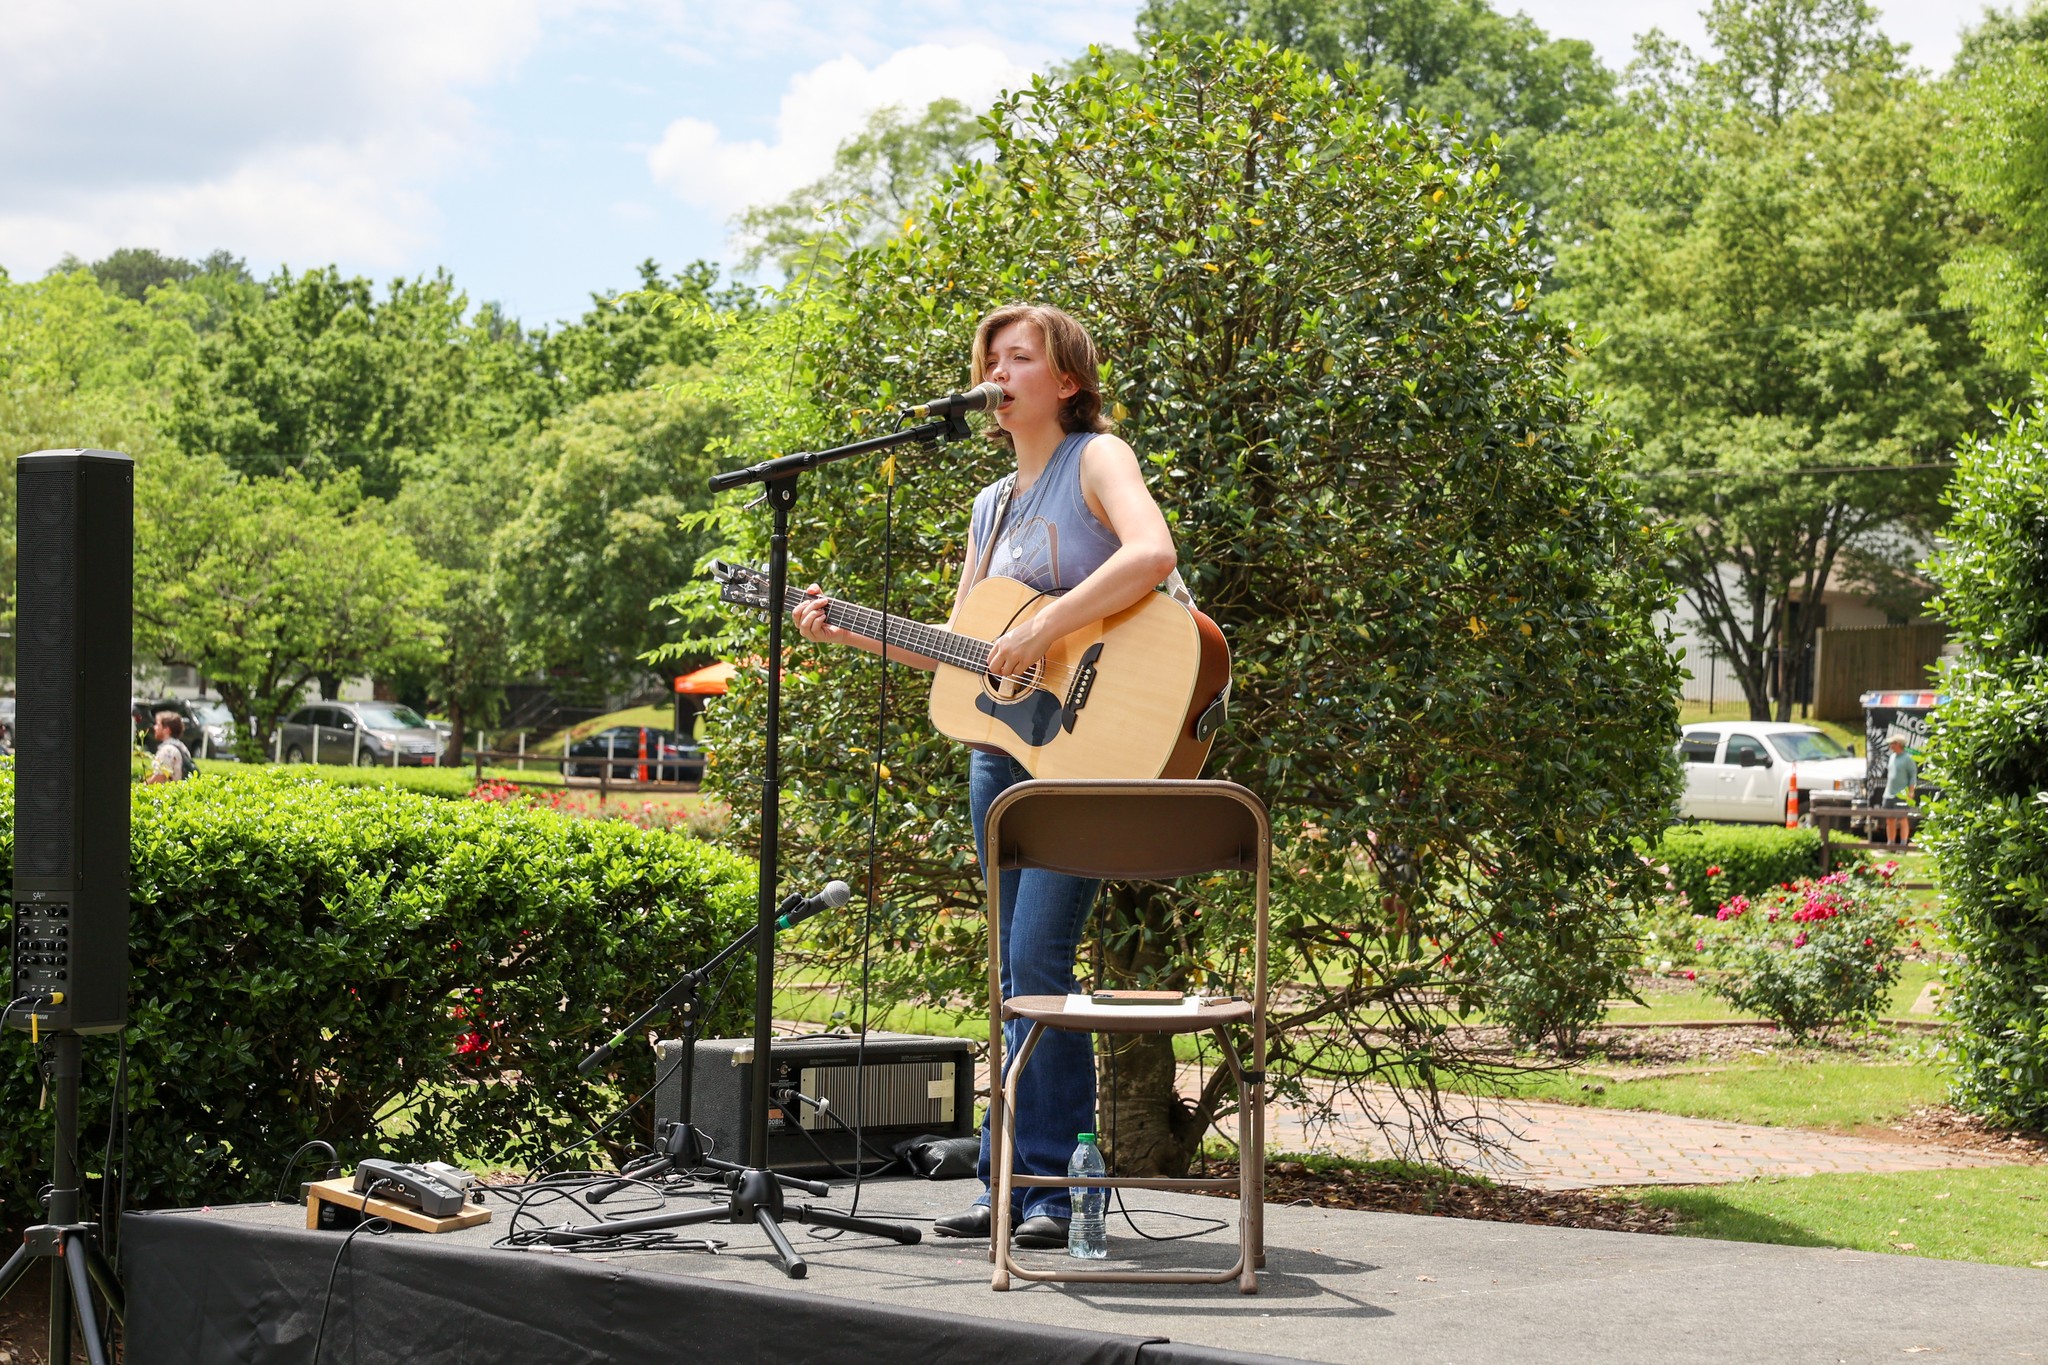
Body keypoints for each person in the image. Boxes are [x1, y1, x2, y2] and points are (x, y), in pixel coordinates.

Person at [792, 303, 1179, 1250]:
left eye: (1020, 359)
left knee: (1040, 963)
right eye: (990, 361)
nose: (999, 375)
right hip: (1003, 751)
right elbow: (974, 653)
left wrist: (1045, 628)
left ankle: (1054, 1192)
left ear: (1067, 379)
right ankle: (1007, 1183)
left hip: (1090, 750)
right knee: (1009, 968)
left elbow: (1153, 554)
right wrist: (859, 630)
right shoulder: (990, 506)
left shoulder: (1098, 458)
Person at [1881, 735, 1917, 847]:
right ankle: (1890, 844)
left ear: (1898, 744)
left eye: (1892, 743)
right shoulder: (1892, 757)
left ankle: (1902, 845)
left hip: (1902, 795)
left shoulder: (1908, 758)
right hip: (1888, 794)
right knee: (1889, 819)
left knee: (1902, 819)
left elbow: (1913, 775)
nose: (1890, 746)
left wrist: (1911, 791)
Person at [145, 710, 194, 784]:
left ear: (167, 730)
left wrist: (142, 787)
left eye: (158, 724)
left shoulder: (167, 750)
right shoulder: (182, 747)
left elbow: (159, 778)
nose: (155, 727)